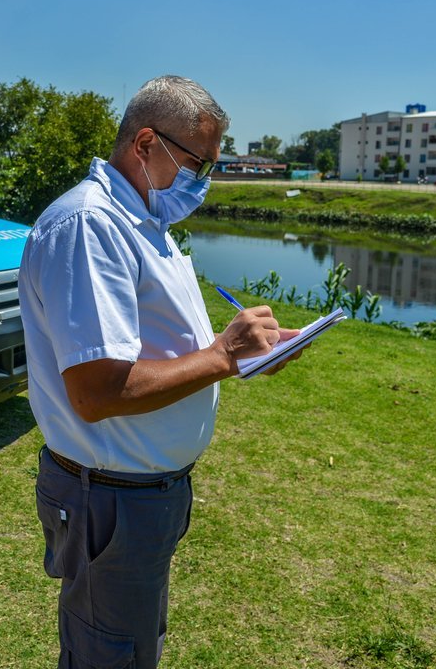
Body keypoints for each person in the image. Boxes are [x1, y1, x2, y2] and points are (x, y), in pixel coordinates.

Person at [18, 75, 305, 667]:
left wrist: (245, 353)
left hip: (142, 493)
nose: (203, 180)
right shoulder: (90, 226)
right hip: (111, 497)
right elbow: (97, 391)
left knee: (131, 645)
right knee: (109, 654)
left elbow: (159, 345)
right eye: (198, 163)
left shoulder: (142, 220)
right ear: (146, 143)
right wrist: (224, 354)